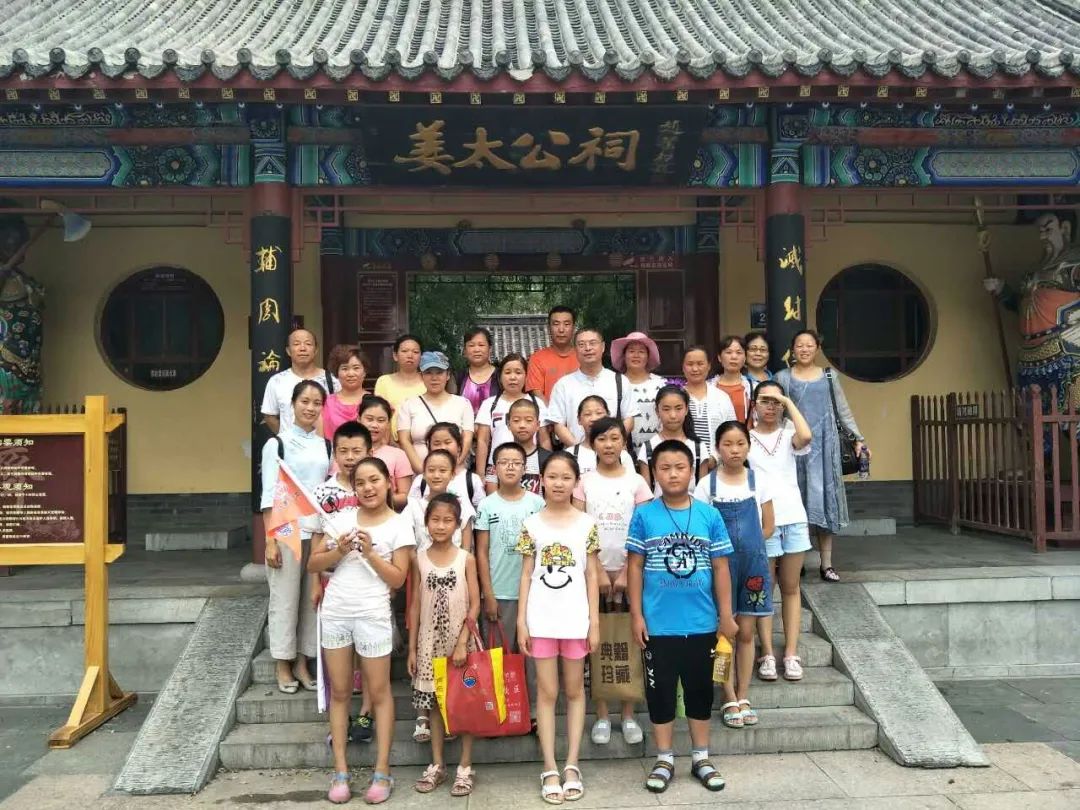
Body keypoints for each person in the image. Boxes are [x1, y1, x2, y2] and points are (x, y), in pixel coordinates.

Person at [627, 440, 736, 795]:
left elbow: (721, 567)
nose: (672, 474)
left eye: (680, 467)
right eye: (664, 468)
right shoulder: (644, 515)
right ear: (654, 473)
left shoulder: (709, 515)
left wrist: (725, 615)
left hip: (702, 623)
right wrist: (636, 615)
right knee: (659, 693)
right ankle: (664, 758)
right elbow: (635, 567)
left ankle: (701, 757)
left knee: (699, 691)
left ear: (692, 471)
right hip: (658, 625)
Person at [308, 457, 413, 805]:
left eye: (374, 480)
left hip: (373, 615)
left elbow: (398, 579)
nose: (368, 488)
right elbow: (313, 563)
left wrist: (369, 553)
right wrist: (338, 550)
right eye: (361, 483)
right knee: (340, 693)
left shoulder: (400, 525)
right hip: (336, 612)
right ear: (354, 489)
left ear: (388, 483)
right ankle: (340, 771)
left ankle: (382, 771)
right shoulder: (340, 520)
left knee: (379, 693)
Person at [516, 451, 600, 804]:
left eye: (566, 477)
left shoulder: (587, 524)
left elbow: (591, 575)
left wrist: (594, 622)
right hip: (541, 620)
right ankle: (550, 767)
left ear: (576, 481)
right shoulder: (531, 524)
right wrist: (521, 620)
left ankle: (572, 765)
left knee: (575, 691)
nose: (559, 483)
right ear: (542, 480)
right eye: (552, 476)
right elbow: (526, 574)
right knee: (547, 693)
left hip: (576, 620)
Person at [571, 418, 651, 747]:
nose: (608, 444)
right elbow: (577, 528)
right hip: (594, 576)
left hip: (632, 573)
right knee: (599, 644)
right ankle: (602, 715)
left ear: (624, 443)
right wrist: (599, 571)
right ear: (592, 443)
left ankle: (628, 714)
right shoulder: (584, 483)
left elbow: (644, 530)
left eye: (614, 438)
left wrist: (628, 571)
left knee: (629, 642)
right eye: (601, 438)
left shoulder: (637, 482)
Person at [694, 422, 775, 730]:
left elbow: (769, 526)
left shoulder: (759, 481)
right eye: (727, 444)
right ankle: (727, 695)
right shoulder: (707, 485)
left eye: (740, 443)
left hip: (753, 566)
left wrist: (751, 547)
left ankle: (743, 695)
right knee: (723, 633)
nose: (734, 450)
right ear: (718, 448)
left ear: (748, 447)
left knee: (746, 633)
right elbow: (699, 529)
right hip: (719, 567)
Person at [775, 330, 868, 583]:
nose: (804, 349)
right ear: (792, 349)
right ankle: (797, 562)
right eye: (799, 345)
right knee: (796, 505)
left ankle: (826, 565)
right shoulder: (782, 377)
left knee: (825, 505)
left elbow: (843, 410)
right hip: (794, 449)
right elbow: (776, 413)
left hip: (825, 449)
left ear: (817, 349)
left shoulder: (829, 376)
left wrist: (858, 438)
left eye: (809, 345)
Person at [408, 493, 481, 797]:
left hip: (461, 643)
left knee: (466, 703)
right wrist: (413, 648)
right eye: (435, 520)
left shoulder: (466, 558)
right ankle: (437, 764)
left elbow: (475, 604)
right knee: (436, 705)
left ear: (457, 524)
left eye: (447, 520)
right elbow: (414, 605)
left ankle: (465, 766)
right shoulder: (419, 559)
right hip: (429, 644)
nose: (441, 526)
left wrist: (463, 641)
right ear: (426, 523)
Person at [261, 380, 331, 694]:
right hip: (286, 529)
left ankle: (303, 661)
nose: (310, 408)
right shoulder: (277, 444)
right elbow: (269, 495)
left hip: (316, 532)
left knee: (310, 600)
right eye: (305, 401)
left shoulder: (325, 445)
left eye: (317, 403)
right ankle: (282, 663)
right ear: (292, 404)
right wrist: (270, 540)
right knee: (284, 599)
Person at [311, 421, 376, 740]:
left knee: (370, 651)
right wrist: (314, 584)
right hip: (332, 580)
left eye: (357, 451)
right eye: (343, 451)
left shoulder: (373, 487)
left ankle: (366, 713)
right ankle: (340, 716)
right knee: (338, 653)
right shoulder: (323, 491)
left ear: (369, 451)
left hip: (370, 581)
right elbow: (315, 538)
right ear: (334, 453)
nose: (350, 457)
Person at [748, 381, 812, 682]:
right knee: (764, 588)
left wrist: (788, 402)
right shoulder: (745, 439)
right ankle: (767, 653)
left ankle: (791, 653)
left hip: (794, 518)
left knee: (791, 587)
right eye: (765, 400)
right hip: (763, 521)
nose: (771, 407)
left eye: (776, 402)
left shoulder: (788, 435)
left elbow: (806, 436)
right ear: (754, 404)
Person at [475, 443, 545, 667]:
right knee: (499, 660)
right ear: (495, 468)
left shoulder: (537, 503)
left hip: (533, 592)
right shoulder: (486, 505)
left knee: (531, 660)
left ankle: (532, 692)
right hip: (499, 592)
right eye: (504, 462)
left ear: (525, 468)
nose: (510, 467)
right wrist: (488, 594)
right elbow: (482, 552)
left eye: (516, 463)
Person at [548, 328, 634, 446]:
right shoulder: (563, 384)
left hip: (612, 451)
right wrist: (579, 450)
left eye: (593, 343)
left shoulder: (620, 381)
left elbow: (629, 418)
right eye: (581, 344)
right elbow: (558, 424)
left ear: (603, 347)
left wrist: (613, 443)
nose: (587, 348)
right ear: (575, 350)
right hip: (575, 453)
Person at [474, 353, 552, 480]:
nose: (513, 377)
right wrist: (480, 474)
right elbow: (482, 440)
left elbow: (544, 439)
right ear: (500, 377)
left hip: (531, 467)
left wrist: (548, 470)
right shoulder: (489, 404)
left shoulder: (537, 403)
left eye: (518, 372)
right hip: (497, 467)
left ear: (526, 376)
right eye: (507, 372)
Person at [398, 351, 475, 474]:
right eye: (428, 373)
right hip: (420, 472)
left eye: (439, 372)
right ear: (421, 376)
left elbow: (467, 438)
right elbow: (404, 440)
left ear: (448, 375)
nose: (434, 378)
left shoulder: (463, 403)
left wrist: (455, 466)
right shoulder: (409, 405)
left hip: (456, 472)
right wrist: (423, 471)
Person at [636, 385, 714, 493]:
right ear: (657, 411)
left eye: (678, 408)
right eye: (666, 409)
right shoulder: (648, 447)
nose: (673, 415)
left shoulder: (698, 447)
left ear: (686, 409)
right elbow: (645, 493)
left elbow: (703, 491)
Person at [261, 328, 340, 434]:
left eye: (308, 344)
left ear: (316, 350)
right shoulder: (277, 381)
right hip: (289, 443)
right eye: (296, 344)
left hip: (322, 443)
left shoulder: (331, 380)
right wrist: (286, 436)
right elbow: (269, 416)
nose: (302, 348)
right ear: (288, 351)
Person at [403, 450, 476, 554]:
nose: (436, 475)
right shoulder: (413, 507)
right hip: (421, 562)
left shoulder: (462, 506)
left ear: (452, 474)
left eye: (442, 470)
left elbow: (466, 550)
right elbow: (408, 548)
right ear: (424, 474)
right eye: (431, 470)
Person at [408, 423, 486, 510]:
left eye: (447, 442)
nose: (443, 447)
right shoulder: (421, 480)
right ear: (429, 447)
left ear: (459, 447)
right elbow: (411, 510)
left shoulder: (472, 480)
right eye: (437, 443)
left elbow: (481, 512)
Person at [610, 331, 666, 452]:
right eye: (631, 351)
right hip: (622, 450)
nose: (636, 355)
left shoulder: (661, 384)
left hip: (658, 449)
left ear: (648, 356)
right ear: (624, 356)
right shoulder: (614, 383)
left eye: (641, 352)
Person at [358, 395, 413, 509]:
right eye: (369, 419)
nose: (374, 425)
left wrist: (378, 500)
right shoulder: (349, 453)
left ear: (388, 424)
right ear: (359, 419)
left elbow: (406, 496)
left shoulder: (398, 455)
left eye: (381, 420)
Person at [682, 345, 736, 458]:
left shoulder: (722, 397)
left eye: (700, 364)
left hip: (716, 463)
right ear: (683, 367)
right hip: (681, 462)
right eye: (690, 364)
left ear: (709, 366)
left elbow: (732, 433)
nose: (695, 369)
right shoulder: (676, 397)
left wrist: (715, 458)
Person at [492, 398, 551, 495]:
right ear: (508, 424)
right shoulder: (500, 457)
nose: (522, 425)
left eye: (528, 420)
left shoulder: (547, 459)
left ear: (538, 425)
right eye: (516, 420)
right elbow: (492, 495)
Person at [567, 395, 636, 476]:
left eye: (599, 413)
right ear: (579, 419)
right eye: (588, 414)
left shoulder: (622, 455)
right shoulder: (570, 454)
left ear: (608, 416)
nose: (594, 418)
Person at [374, 334, 425, 435]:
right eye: (404, 351)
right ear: (395, 356)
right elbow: (379, 414)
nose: (410, 355)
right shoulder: (384, 381)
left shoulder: (428, 381)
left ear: (421, 357)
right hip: (391, 440)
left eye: (415, 352)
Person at [526, 306, 580, 401]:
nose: (561, 329)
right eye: (556, 324)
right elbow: (537, 394)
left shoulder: (583, 357)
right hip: (548, 410)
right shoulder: (537, 359)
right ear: (549, 328)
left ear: (574, 328)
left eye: (566, 324)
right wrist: (552, 410)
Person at [321, 345, 369, 440]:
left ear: (364, 372)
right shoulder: (326, 403)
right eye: (345, 368)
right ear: (337, 373)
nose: (350, 374)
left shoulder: (375, 402)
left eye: (356, 368)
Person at [710, 335, 752, 425]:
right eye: (728, 352)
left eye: (739, 352)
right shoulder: (709, 386)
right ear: (719, 357)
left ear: (745, 358)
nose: (734, 357)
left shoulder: (752, 387)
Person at [457, 327, 499, 415]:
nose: (476, 350)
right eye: (471, 345)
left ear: (490, 349)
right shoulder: (458, 377)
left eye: (481, 345)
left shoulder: (501, 376)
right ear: (465, 350)